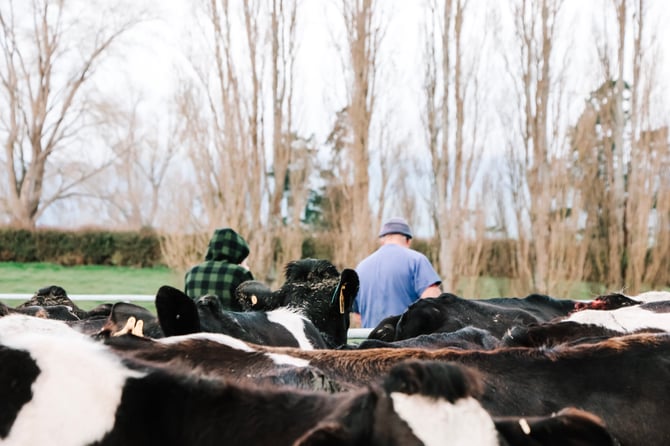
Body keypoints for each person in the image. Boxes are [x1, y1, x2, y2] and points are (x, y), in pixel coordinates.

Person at [352, 217, 442, 328]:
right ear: (408, 240)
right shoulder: (417, 260)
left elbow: (358, 316)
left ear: (382, 240)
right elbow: (433, 302)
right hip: (406, 342)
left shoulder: (360, 268)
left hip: (371, 342)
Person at [184, 227, 254, 311]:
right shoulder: (239, 273)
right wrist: (247, 274)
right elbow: (254, 311)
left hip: (197, 324)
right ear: (238, 252)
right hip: (229, 324)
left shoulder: (191, 273)